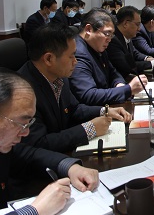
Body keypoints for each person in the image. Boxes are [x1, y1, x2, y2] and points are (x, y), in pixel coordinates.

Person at [0, 67, 99, 215]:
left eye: (29, 123)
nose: (26, 132)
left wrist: (70, 167)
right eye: (21, 123)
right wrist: (35, 211)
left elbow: (26, 155)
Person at [18, 24, 131, 152]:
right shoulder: (22, 93)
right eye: (71, 56)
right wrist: (89, 129)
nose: (75, 61)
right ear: (49, 59)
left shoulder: (59, 75)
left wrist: (104, 111)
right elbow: (38, 143)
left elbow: (74, 109)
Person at [69, 9, 146, 105]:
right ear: (88, 29)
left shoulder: (97, 47)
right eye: (107, 34)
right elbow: (88, 95)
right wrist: (127, 89)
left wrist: (119, 84)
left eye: (111, 35)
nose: (109, 39)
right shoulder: (78, 53)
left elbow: (113, 72)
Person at [107, 6, 154, 79]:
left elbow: (134, 52)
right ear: (125, 24)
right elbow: (126, 66)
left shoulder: (127, 36)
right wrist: (153, 63)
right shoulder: (113, 40)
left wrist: (147, 58)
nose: (139, 28)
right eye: (137, 24)